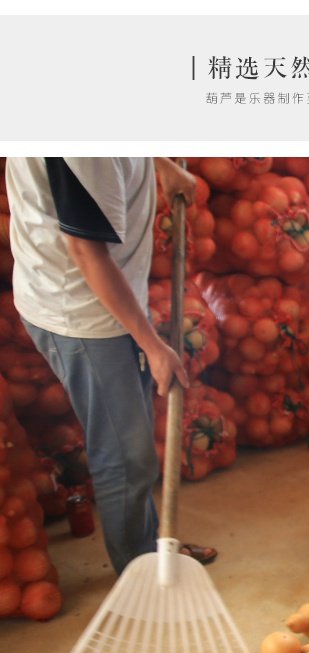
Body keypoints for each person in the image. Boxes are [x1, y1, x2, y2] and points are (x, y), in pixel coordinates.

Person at [5, 157, 216, 574]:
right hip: (83, 310)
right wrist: (151, 345)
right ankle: (139, 573)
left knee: (130, 445)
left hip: (104, 294)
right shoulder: (82, 146)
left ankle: (149, 548)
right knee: (127, 458)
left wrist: (161, 163)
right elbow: (86, 250)